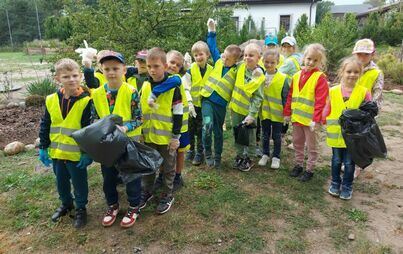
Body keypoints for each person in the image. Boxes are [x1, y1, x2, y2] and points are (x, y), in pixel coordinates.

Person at [38, 58, 92, 228]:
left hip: (76, 154)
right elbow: (46, 124)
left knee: (79, 183)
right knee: (61, 182)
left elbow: (88, 129)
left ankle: (81, 208)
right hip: (57, 153)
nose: (72, 79)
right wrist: (43, 147)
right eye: (66, 76)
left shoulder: (86, 101)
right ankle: (66, 203)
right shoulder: (51, 99)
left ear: (81, 76)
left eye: (75, 75)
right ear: (57, 79)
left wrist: (87, 152)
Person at [91, 51, 143, 228]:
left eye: (115, 68)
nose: (111, 72)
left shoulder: (131, 91)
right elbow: (94, 117)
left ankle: (134, 206)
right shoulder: (96, 94)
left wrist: (125, 128)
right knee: (108, 176)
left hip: (128, 141)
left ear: (124, 70)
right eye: (107, 69)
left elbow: (139, 118)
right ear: (101, 70)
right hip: (107, 143)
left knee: (131, 175)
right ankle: (112, 205)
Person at [140, 47, 183, 214]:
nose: (152, 70)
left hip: (166, 138)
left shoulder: (173, 87)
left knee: (168, 166)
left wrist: (175, 137)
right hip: (149, 136)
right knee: (148, 165)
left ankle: (167, 194)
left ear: (165, 66)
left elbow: (178, 113)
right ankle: (147, 191)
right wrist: (142, 134)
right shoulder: (145, 85)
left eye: (156, 66)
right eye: (149, 66)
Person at [323, 57, 371, 200]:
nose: (352, 74)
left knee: (350, 163)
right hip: (336, 134)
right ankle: (335, 183)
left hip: (353, 137)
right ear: (342, 72)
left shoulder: (364, 92)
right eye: (349, 71)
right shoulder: (333, 91)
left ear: (360, 73)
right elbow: (327, 107)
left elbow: (369, 111)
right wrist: (320, 119)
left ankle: (347, 186)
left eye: (356, 72)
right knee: (337, 160)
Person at [283, 43, 329, 182]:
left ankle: (310, 169)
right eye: (309, 58)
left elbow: (321, 100)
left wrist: (316, 119)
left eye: (315, 60)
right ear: (304, 58)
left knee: (311, 145)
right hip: (297, 117)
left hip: (311, 121)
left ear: (320, 62)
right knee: (297, 142)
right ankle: (298, 164)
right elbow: (291, 95)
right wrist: (287, 112)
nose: (311, 62)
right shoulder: (296, 75)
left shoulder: (320, 77)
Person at [200, 18, 242, 168]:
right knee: (207, 126)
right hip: (207, 100)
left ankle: (217, 156)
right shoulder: (218, 61)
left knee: (218, 131)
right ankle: (207, 154)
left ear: (235, 60)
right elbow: (212, 46)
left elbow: (250, 68)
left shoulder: (238, 71)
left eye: (228, 59)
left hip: (221, 105)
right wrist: (211, 30)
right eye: (224, 56)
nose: (224, 60)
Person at [146, 50, 189, 192]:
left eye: (177, 65)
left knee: (179, 151)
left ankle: (177, 176)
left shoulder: (175, 79)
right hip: (158, 129)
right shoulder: (150, 80)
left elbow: (175, 81)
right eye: (172, 62)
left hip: (180, 123)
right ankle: (161, 176)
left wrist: (154, 93)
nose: (173, 66)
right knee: (164, 155)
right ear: (166, 63)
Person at [229, 43, 265, 172]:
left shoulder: (259, 75)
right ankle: (239, 155)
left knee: (249, 135)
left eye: (251, 55)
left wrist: (252, 114)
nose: (247, 58)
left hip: (248, 113)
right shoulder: (240, 67)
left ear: (259, 58)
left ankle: (249, 157)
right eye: (245, 55)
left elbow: (258, 97)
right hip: (235, 108)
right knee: (237, 132)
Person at [258, 49, 289, 169]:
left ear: (278, 62)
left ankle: (276, 157)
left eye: (272, 62)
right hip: (265, 112)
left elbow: (285, 97)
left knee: (276, 136)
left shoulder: (283, 78)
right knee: (265, 134)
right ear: (263, 61)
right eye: (266, 62)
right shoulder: (260, 76)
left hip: (278, 114)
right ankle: (265, 154)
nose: (269, 65)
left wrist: (287, 113)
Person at [183, 41, 213, 166]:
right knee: (190, 129)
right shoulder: (190, 70)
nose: (198, 57)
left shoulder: (212, 70)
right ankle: (191, 149)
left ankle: (200, 152)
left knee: (202, 130)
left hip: (205, 106)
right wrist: (189, 103)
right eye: (195, 55)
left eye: (201, 54)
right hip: (192, 106)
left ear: (207, 55)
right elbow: (186, 87)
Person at [352, 38, 383, 110]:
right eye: (359, 54)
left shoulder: (376, 73)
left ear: (372, 54)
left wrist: (371, 111)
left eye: (366, 54)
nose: (362, 58)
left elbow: (377, 94)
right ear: (354, 54)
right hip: (349, 107)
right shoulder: (349, 69)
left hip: (366, 110)